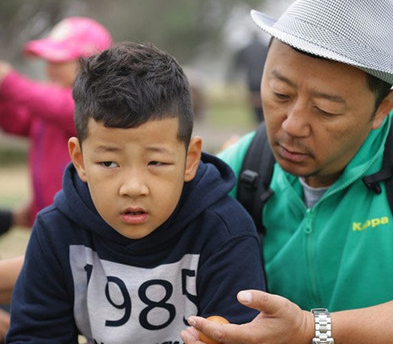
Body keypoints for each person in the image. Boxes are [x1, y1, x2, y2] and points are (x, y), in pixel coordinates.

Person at [180, 0, 393, 343]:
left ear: (383, 107)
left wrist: (313, 330)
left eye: (325, 110)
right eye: (280, 93)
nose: (293, 124)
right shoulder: (246, 166)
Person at [6, 42, 266, 343]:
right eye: (109, 163)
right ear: (79, 160)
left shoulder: (225, 232)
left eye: (156, 162)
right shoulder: (56, 231)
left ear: (190, 159)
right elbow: (35, 336)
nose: (133, 187)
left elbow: (240, 332)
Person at [0, 16, 112, 231]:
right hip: (51, 215)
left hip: (79, 222)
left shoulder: (94, 104)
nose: (51, 68)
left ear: (91, 64)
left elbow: (60, 107)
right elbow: (16, 123)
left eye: (60, 61)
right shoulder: (50, 105)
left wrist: (8, 81)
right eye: (49, 61)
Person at [229, 32, 268, 123]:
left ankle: (257, 120)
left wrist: (231, 78)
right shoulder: (265, 48)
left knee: (253, 100)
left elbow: (237, 64)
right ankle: (262, 120)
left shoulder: (246, 48)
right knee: (263, 98)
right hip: (263, 78)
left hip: (251, 79)